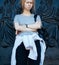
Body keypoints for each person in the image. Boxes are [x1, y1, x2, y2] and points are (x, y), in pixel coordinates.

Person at [11, 0, 46, 65]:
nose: (29, 4)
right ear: (23, 3)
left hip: (35, 41)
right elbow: (17, 27)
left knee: (35, 63)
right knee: (20, 62)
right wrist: (33, 29)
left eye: (31, 3)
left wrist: (24, 26)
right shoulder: (17, 17)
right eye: (27, 2)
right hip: (21, 42)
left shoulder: (36, 16)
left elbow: (38, 26)